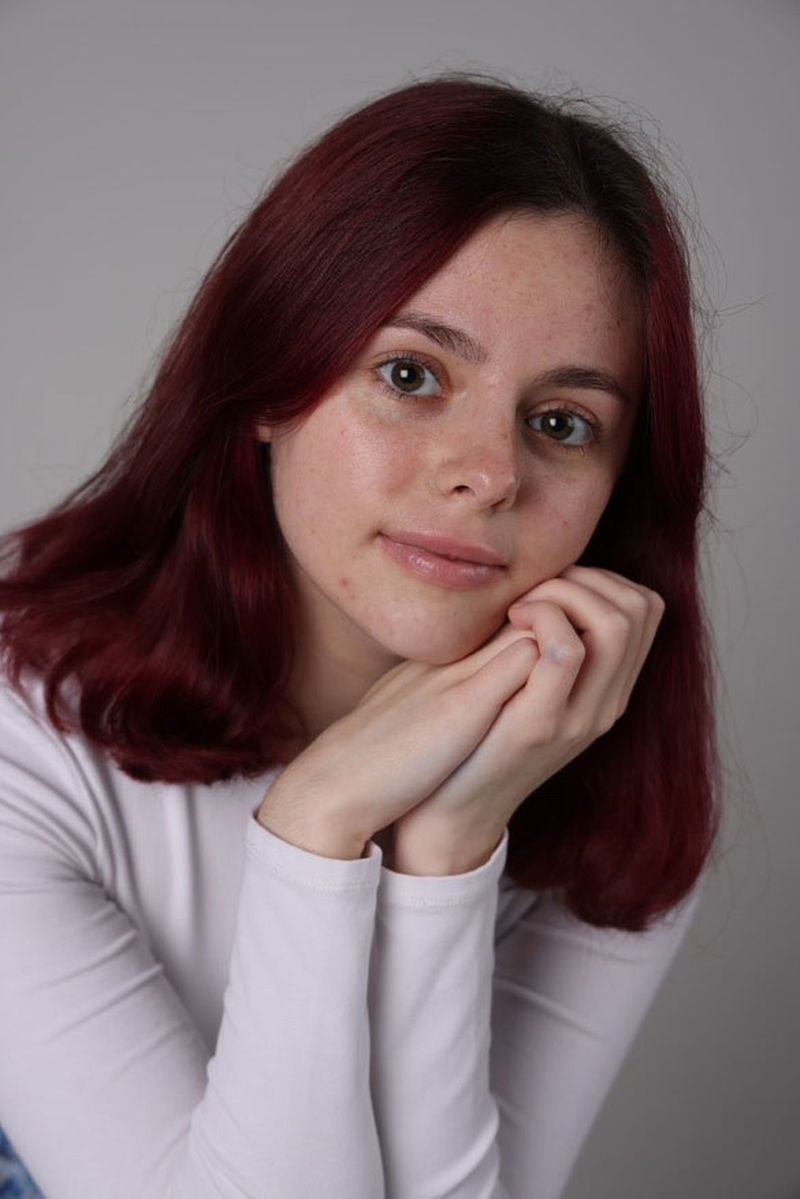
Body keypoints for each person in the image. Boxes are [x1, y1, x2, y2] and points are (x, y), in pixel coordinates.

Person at [0, 71, 722, 1198]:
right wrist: (315, 823)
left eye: (560, 422)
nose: (487, 473)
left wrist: (449, 844)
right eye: (408, 373)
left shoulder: (616, 801)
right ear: (267, 385)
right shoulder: (21, 736)